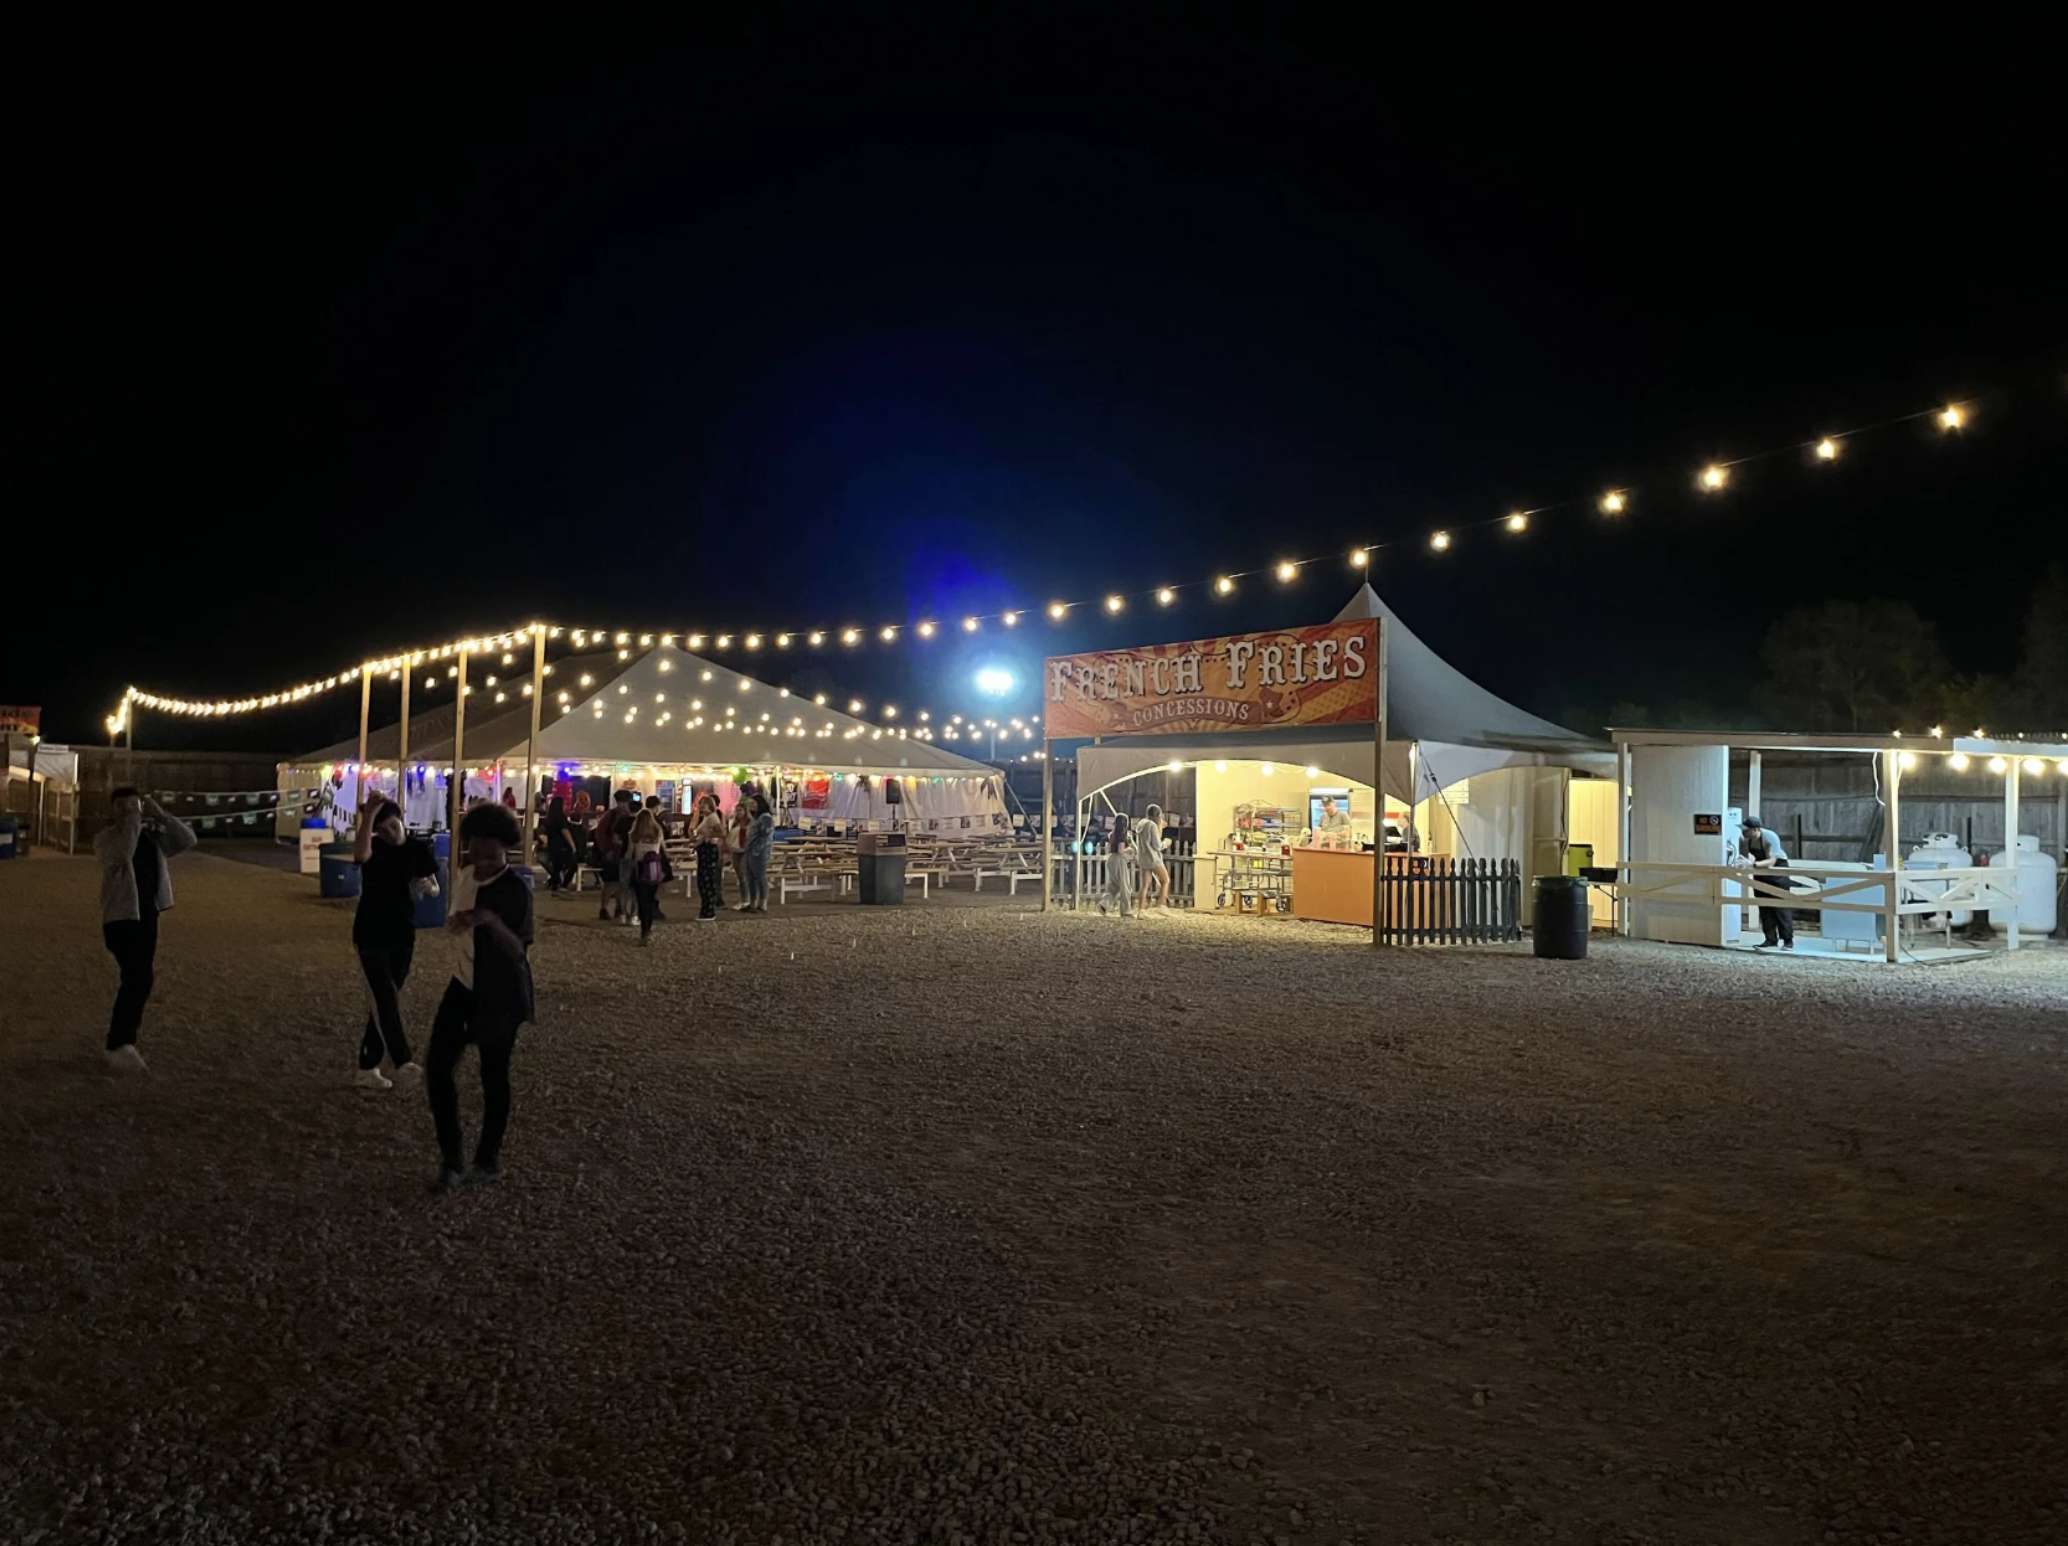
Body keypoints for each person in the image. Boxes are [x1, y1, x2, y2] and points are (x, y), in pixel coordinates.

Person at [425, 802, 535, 1190]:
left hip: (499, 995)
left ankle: (487, 1159)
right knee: (437, 1068)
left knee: (493, 1074)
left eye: (493, 855)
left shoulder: (514, 890)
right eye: (477, 852)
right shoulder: (465, 874)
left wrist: (488, 920)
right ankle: (451, 1157)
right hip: (463, 984)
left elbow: (519, 950)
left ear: (507, 850)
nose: (484, 862)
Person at [94, 786, 197, 1070]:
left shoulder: (152, 839)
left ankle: (123, 1041)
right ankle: (118, 1043)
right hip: (120, 917)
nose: (130, 809)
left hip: (147, 915)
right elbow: (124, 854)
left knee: (141, 978)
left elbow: (187, 840)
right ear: (113, 809)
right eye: (122, 805)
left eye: (132, 804)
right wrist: (132, 819)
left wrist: (160, 814)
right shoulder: (106, 839)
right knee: (137, 976)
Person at [349, 794, 437, 1089]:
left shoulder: (417, 849)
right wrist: (369, 816)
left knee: (386, 1001)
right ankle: (403, 1061)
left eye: (391, 825)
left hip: (403, 933)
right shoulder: (373, 848)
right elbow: (360, 856)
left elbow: (434, 884)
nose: (387, 833)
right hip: (371, 933)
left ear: (401, 819)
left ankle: (367, 1067)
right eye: (381, 829)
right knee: (384, 998)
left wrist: (430, 887)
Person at [1743, 815, 1795, 950]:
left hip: (1777, 870)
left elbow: (1772, 861)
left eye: (1747, 829)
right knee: (1764, 905)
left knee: (1780, 906)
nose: (1745, 831)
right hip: (1760, 870)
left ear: (1755, 830)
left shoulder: (1770, 837)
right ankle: (1770, 939)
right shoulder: (1746, 839)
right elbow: (1742, 855)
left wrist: (1753, 864)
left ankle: (1788, 940)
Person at [626, 800, 666, 943]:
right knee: (650, 898)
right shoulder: (657, 832)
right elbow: (662, 849)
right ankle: (649, 928)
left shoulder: (634, 834)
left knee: (641, 900)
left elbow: (630, 853)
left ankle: (645, 931)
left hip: (640, 868)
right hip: (655, 867)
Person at [592, 790, 632, 923]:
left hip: (624, 853)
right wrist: (606, 850)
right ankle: (604, 908)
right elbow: (600, 833)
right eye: (622, 802)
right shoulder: (611, 815)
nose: (623, 805)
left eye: (625, 802)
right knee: (611, 882)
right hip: (613, 853)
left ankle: (619, 908)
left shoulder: (619, 815)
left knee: (622, 883)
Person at [691, 794, 727, 920]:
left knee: (706, 880)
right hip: (703, 848)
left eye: (703, 804)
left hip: (709, 849)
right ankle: (706, 908)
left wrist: (709, 835)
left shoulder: (712, 817)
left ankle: (708, 910)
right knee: (703, 880)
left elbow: (722, 832)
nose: (701, 807)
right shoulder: (706, 817)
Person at [740, 794, 775, 913]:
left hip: (759, 853)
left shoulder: (766, 818)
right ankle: (753, 901)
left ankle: (763, 902)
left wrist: (756, 850)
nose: (751, 806)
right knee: (751, 877)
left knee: (760, 877)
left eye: (753, 803)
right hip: (751, 851)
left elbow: (766, 837)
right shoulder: (757, 818)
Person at [1134, 802, 1171, 909]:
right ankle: (1161, 904)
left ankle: (1141, 909)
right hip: (1153, 859)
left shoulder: (1141, 824)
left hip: (1143, 858)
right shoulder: (1152, 826)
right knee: (1165, 880)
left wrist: (1160, 827)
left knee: (1145, 885)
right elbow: (1157, 845)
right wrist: (1166, 843)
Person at [1099, 812, 1133, 917]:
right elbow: (1120, 850)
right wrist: (1130, 849)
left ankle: (1104, 904)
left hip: (1111, 859)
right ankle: (1125, 910)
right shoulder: (1122, 835)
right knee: (1125, 886)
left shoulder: (1112, 834)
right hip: (1118, 860)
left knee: (1113, 886)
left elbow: (1109, 848)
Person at [541, 796, 577, 895]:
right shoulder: (561, 818)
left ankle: (555, 886)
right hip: (562, 846)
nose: (566, 806)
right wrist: (572, 845)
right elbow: (565, 831)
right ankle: (563, 885)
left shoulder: (549, 819)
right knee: (573, 865)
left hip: (552, 846)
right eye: (565, 804)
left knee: (557, 867)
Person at [727, 797, 753, 911]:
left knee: (743, 875)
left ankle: (746, 899)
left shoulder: (750, 823)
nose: (738, 813)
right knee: (739, 876)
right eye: (736, 810)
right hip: (735, 850)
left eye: (740, 810)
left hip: (745, 851)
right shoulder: (734, 823)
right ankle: (744, 898)